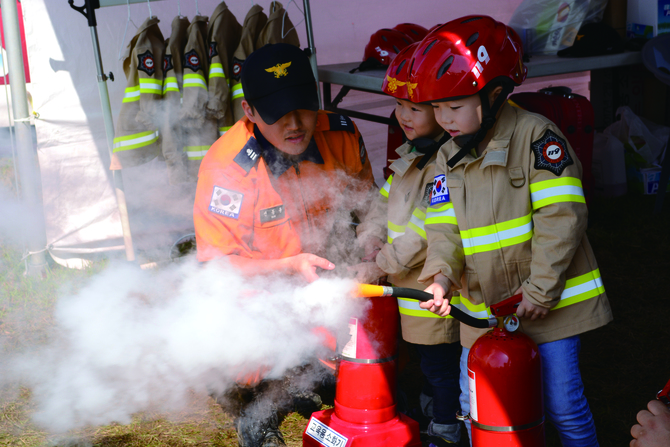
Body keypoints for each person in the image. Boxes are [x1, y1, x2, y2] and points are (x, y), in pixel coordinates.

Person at [408, 16, 613, 446]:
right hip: (484, 315)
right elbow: (443, 230)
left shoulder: (538, 137)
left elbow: (563, 218)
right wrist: (441, 278)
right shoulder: (445, 158)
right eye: (437, 107)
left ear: (496, 94)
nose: (444, 118)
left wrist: (540, 290)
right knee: (477, 406)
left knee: (563, 407)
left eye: (455, 106)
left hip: (550, 306)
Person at [193, 42, 375, 447]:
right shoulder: (228, 168)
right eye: (278, 115)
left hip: (326, 276)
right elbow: (216, 267)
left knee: (352, 371)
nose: (295, 124)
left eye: (303, 108)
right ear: (250, 112)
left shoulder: (341, 134)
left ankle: (316, 368)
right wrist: (289, 266)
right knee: (257, 357)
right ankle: (252, 408)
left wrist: (372, 250)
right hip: (261, 289)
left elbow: (369, 207)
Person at [352, 41, 462, 445]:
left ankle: (447, 429)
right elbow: (383, 203)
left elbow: (422, 232)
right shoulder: (410, 154)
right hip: (405, 284)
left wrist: (379, 261)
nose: (403, 116)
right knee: (426, 358)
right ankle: (433, 411)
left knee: (440, 362)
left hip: (429, 284)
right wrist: (369, 238)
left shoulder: (443, 164)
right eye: (399, 106)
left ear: (442, 110)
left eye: (415, 109)